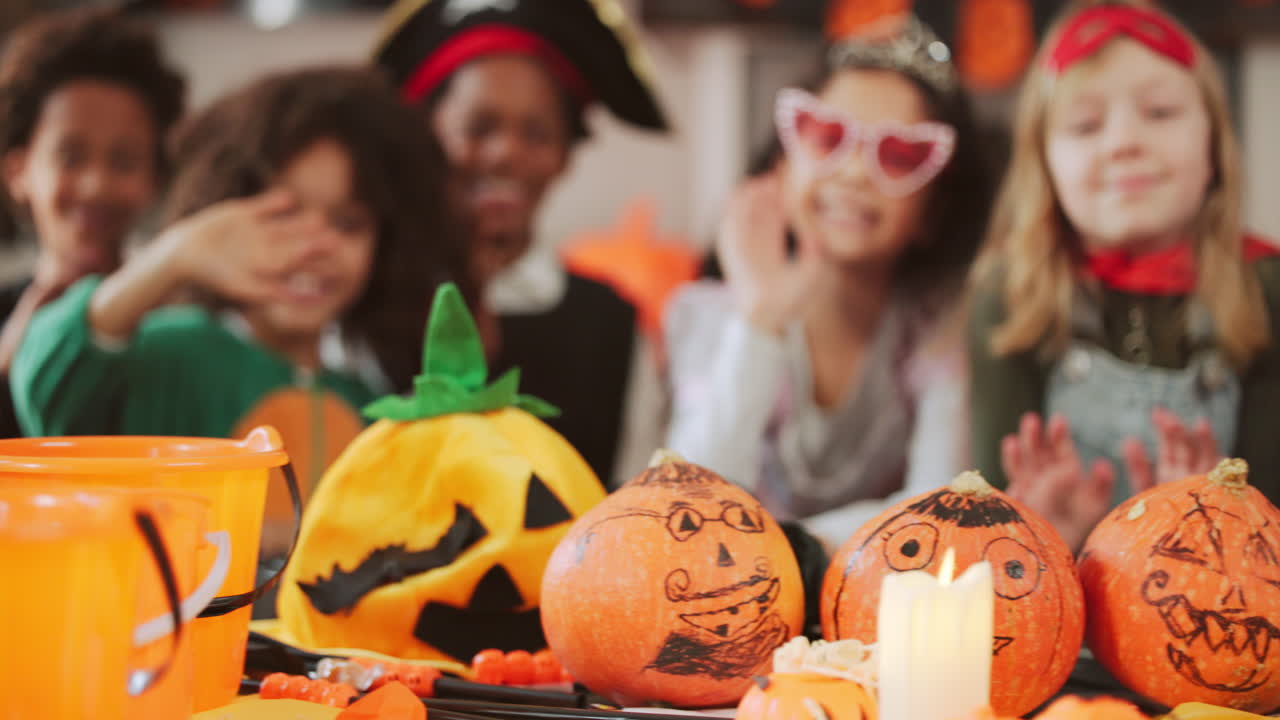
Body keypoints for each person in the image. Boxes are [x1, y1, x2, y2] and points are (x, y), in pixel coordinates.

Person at [11, 66, 471, 550]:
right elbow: (47, 380)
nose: (313, 246)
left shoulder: (369, 403)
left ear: (386, 246)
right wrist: (175, 255)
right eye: (284, 214)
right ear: (222, 216)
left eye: (348, 223)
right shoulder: (170, 354)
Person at [664, 15, 993, 551]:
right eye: (827, 138)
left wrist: (785, 545)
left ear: (936, 208)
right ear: (781, 164)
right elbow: (685, 507)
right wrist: (761, 320)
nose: (856, 172)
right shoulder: (707, 316)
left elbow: (942, 505)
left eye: (899, 154)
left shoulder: (944, 329)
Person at [968, 0, 1280, 551]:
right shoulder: (1008, 298)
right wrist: (1046, 535)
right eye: (1086, 125)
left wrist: (1214, 527)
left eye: (1160, 113)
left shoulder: (1267, 288)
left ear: (1214, 144)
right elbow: (990, 534)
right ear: (1044, 163)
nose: (1122, 143)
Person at [372, 0, 668, 486]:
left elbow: (637, 497)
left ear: (565, 157)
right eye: (480, 127)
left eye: (537, 133)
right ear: (427, 135)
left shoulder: (610, 322)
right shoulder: (369, 301)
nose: (507, 153)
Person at [0, 8, 184, 438]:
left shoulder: (184, 322)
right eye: (71, 156)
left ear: (155, 179)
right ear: (18, 172)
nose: (96, 185)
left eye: (124, 161)